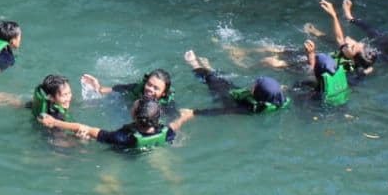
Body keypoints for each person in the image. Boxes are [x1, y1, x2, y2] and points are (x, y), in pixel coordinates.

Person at [39, 96, 195, 149]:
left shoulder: (120, 137)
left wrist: (54, 122)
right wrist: (185, 116)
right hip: (152, 147)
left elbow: (84, 128)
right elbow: (175, 125)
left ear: (134, 115)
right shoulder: (166, 132)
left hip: (124, 150)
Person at [182, 51, 289, 114]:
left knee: (211, 79)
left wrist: (193, 113)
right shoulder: (277, 100)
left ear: (256, 93)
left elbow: (221, 112)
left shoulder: (247, 108)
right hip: (238, 93)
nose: (253, 83)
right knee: (225, 79)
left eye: (255, 85)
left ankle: (194, 64)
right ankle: (210, 68)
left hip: (225, 97)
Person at [318, 0, 378, 76]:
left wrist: (310, 55)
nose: (349, 43)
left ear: (353, 60)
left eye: (352, 47)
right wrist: (333, 15)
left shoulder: (346, 69)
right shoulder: (347, 51)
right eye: (355, 42)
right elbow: (339, 38)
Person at [80, 69, 174, 106]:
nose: (150, 89)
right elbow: (109, 90)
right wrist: (97, 86)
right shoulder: (136, 88)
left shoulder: (167, 105)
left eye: (156, 88)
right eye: (149, 84)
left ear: (163, 93)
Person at [303, 40, 349, 106]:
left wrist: (311, 54)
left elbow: (311, 75)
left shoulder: (316, 91)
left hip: (321, 103)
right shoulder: (335, 70)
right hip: (340, 100)